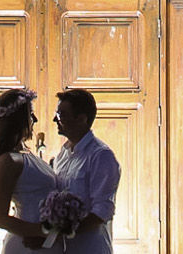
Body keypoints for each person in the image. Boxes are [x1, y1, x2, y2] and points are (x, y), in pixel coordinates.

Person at [50, 88, 119, 254]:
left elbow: (102, 210)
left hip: (90, 247)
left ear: (81, 119)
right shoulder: (63, 154)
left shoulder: (101, 155)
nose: (55, 119)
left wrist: (62, 233)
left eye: (61, 115)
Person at [0, 86, 56, 254]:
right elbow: (0, 219)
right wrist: (42, 231)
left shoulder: (27, 155)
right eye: (30, 114)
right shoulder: (8, 161)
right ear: (18, 119)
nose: (35, 119)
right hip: (26, 245)